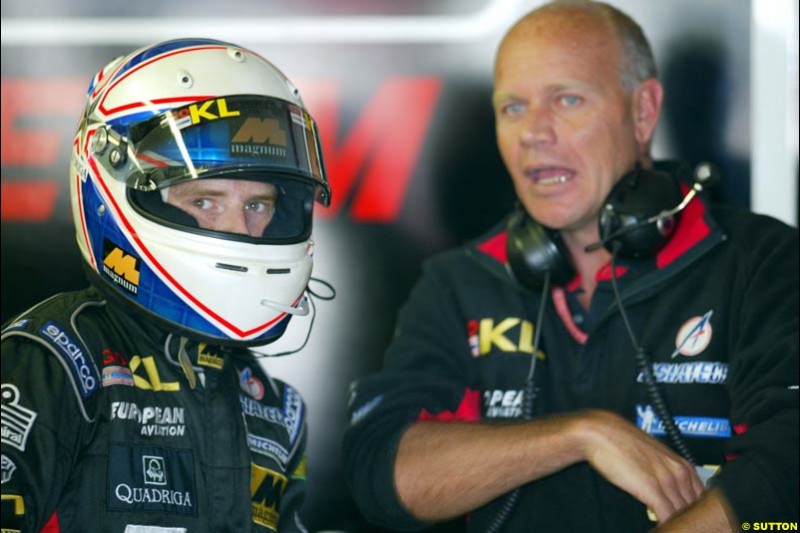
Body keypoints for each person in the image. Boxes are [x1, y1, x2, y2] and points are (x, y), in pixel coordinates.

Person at [342, 2, 798, 532]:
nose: (534, 131)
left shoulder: (760, 260)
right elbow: (382, 474)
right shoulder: (460, 282)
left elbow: (789, 460)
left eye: (568, 99)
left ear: (644, 111)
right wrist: (581, 435)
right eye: (513, 108)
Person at [1, 38, 331, 532]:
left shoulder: (271, 403)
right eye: (205, 201)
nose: (239, 230)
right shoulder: (58, 359)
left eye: (257, 206)